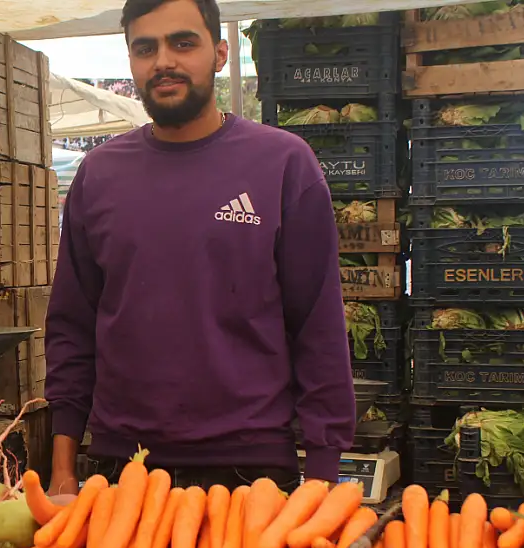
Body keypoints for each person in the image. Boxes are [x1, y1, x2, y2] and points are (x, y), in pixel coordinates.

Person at [44, 0, 355, 496]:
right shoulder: (99, 175)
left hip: (250, 471)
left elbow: (318, 327)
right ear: (131, 62)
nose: (163, 60)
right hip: (121, 469)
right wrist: (62, 469)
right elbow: (71, 328)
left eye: (183, 42)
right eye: (145, 48)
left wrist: (322, 476)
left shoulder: (282, 164)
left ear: (220, 52)